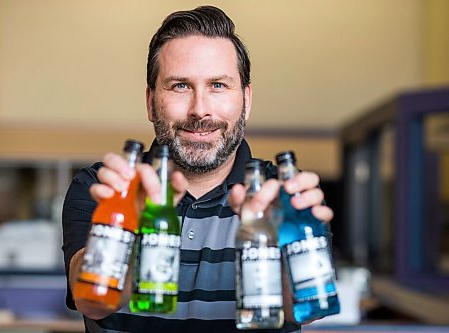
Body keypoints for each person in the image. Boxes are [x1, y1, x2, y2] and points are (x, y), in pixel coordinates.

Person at [62, 5, 334, 333]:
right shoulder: (103, 186)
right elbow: (89, 300)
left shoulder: (284, 195)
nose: (200, 110)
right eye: (180, 86)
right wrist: (130, 226)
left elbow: (303, 309)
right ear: (151, 102)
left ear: (246, 100)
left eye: (218, 85)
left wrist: (279, 238)